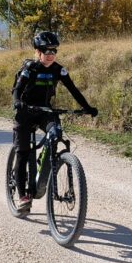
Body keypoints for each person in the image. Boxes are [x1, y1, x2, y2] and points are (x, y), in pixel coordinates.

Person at [11, 31, 97, 212]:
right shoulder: (30, 69)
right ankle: (23, 197)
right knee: (23, 152)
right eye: (46, 51)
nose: (50, 55)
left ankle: (47, 167)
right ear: (38, 52)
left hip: (45, 111)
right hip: (25, 112)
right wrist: (18, 103)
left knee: (56, 133)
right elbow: (17, 90)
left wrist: (87, 107)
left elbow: (74, 90)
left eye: (53, 51)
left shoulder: (58, 70)